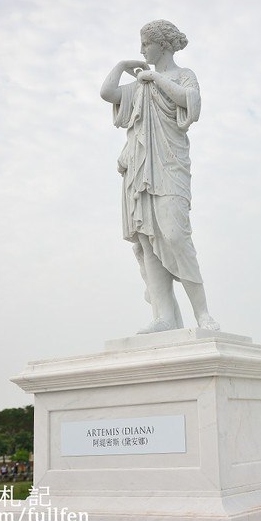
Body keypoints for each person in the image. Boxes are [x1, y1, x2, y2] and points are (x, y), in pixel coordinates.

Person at [100, 20, 219, 334]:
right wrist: (123, 65)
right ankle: (164, 316)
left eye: (145, 44)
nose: (141, 50)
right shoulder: (139, 86)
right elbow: (107, 92)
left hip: (169, 166)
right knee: (147, 238)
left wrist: (154, 78)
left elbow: (190, 103)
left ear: (163, 45)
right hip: (139, 169)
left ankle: (203, 313)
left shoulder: (182, 76)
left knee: (176, 235)